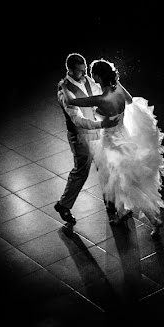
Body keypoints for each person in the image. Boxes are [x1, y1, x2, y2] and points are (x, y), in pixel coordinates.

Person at [61, 59, 164, 237]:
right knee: (116, 182)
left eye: (92, 73)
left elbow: (72, 102)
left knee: (125, 183)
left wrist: (64, 87)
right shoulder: (117, 87)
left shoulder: (101, 99)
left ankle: (154, 220)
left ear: (97, 76)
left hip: (111, 144)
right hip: (124, 136)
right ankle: (122, 212)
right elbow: (128, 100)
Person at [53, 53, 121, 226]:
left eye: (85, 70)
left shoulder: (88, 81)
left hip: (98, 131)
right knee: (81, 172)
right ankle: (63, 205)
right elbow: (77, 120)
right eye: (80, 71)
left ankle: (111, 205)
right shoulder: (64, 90)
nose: (84, 74)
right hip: (80, 137)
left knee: (105, 167)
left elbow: (99, 96)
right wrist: (102, 124)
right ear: (70, 70)